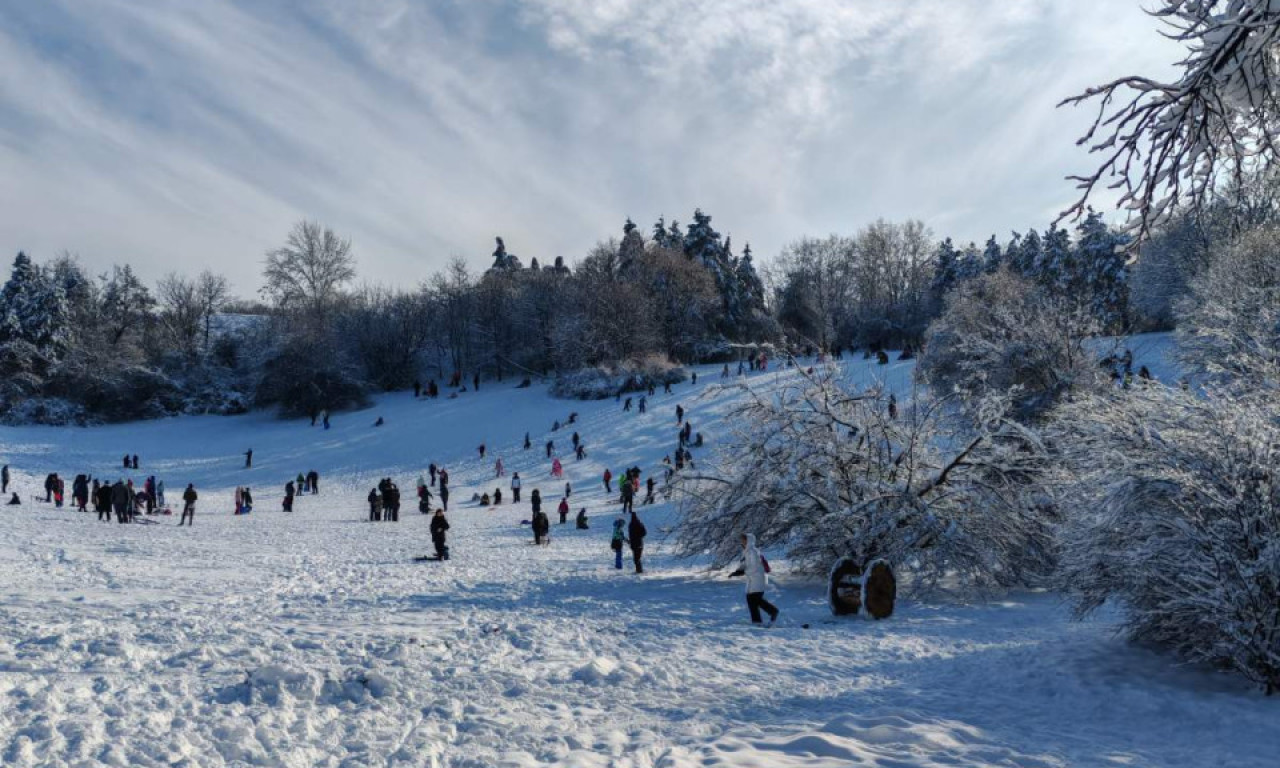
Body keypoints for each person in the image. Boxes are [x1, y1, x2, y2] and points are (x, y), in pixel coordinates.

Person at [730, 534, 779, 626]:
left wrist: (743, 572)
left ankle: (773, 611)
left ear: (749, 541)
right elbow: (744, 564)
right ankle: (757, 621)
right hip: (753, 579)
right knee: (752, 599)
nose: (742, 542)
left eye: (744, 540)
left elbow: (754, 566)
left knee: (754, 599)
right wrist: (738, 571)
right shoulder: (746, 551)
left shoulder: (753, 551)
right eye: (742, 540)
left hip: (758, 578)